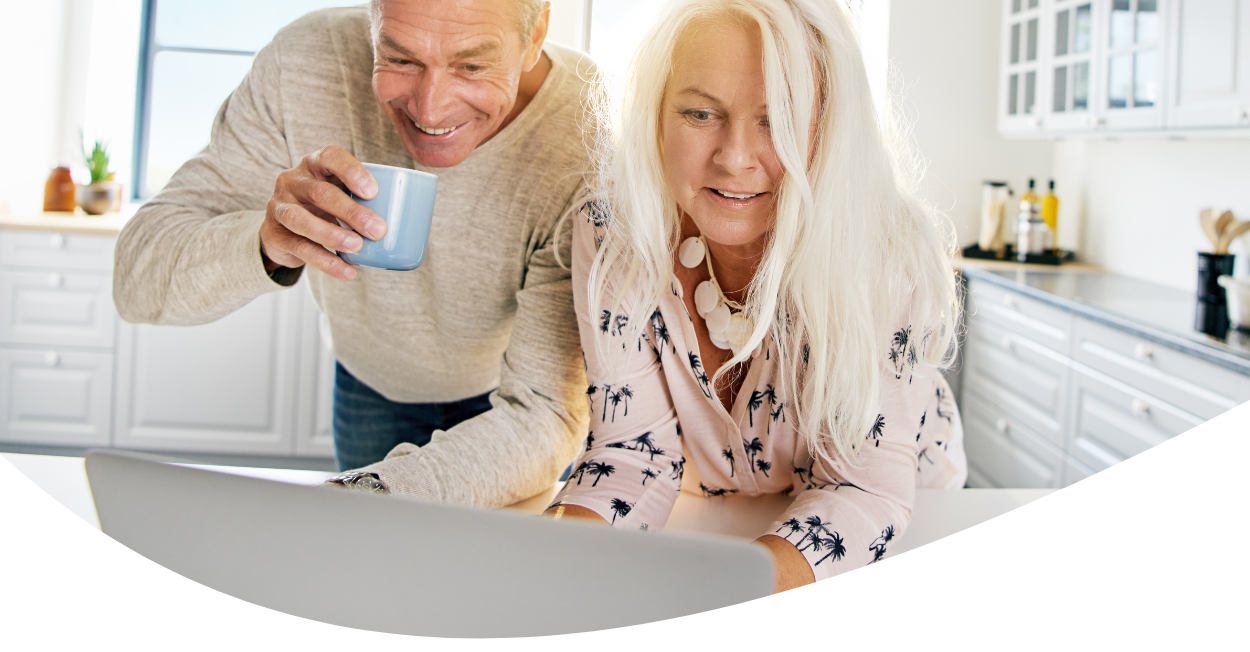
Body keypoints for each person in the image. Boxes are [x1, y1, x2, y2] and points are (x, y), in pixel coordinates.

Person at [543, 0, 966, 593]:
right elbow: (629, 457)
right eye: (698, 112)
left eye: (781, 119)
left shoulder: (884, 251)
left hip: (900, 528)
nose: (735, 158)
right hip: (712, 512)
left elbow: (863, 491)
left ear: (832, 125)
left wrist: (717, 600)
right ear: (655, 113)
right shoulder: (616, 226)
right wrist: (540, 575)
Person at [112, 0, 594, 506]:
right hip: (368, 384)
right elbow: (135, 281)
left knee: (489, 579)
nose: (430, 111)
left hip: (512, 404)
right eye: (401, 58)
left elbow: (545, 412)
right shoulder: (305, 61)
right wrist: (267, 240)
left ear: (536, 32)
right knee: (369, 577)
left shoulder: (586, 130)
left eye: (471, 65)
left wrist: (356, 498)